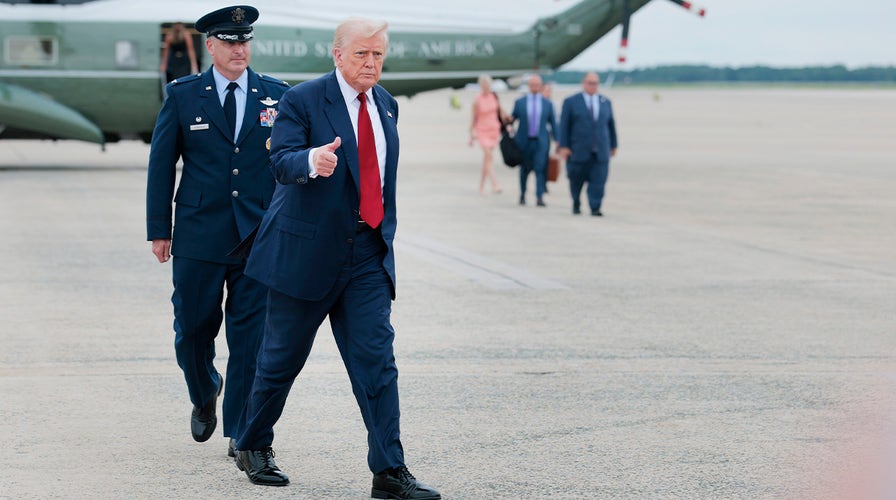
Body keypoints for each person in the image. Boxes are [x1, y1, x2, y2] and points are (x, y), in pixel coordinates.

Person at [231, 17, 441, 500]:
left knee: (377, 362)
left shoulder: (385, 104)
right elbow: (281, 160)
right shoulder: (302, 99)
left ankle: (389, 471)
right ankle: (253, 443)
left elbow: (378, 178)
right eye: (362, 54)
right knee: (281, 359)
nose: (371, 64)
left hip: (366, 253)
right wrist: (311, 160)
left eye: (378, 56)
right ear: (338, 55)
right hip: (305, 255)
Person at [145, 5, 289, 457]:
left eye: (244, 41)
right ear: (210, 46)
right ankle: (205, 388)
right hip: (198, 233)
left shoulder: (276, 96)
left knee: (250, 339)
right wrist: (158, 228)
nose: (239, 49)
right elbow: (161, 165)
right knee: (192, 328)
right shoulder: (185, 95)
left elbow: (286, 162)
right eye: (229, 41)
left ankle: (242, 435)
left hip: (257, 236)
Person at [557, 71, 618, 216]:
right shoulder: (571, 102)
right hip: (577, 150)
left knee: (599, 181)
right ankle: (576, 201)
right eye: (590, 83)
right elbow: (564, 126)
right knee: (576, 179)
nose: (593, 86)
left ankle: (595, 206)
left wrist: (614, 145)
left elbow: (611, 125)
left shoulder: (605, 102)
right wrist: (563, 146)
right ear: (583, 83)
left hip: (600, 150)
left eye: (596, 83)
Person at [510, 73, 556, 207]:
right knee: (524, 170)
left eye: (537, 85)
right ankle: (522, 194)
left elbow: (553, 124)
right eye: (532, 85)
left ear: (540, 86)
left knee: (540, 169)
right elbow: (513, 119)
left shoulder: (547, 104)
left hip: (540, 142)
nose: (535, 87)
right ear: (529, 86)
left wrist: (559, 141)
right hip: (524, 141)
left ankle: (539, 196)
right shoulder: (520, 102)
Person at [468, 74, 504, 194]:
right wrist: (471, 134)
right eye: (483, 84)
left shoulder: (494, 97)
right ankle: (495, 184)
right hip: (482, 130)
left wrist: (509, 122)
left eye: (487, 84)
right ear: (480, 86)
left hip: (494, 129)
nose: (486, 86)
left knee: (486, 159)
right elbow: (473, 118)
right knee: (489, 156)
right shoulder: (477, 99)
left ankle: (481, 185)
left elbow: (501, 112)